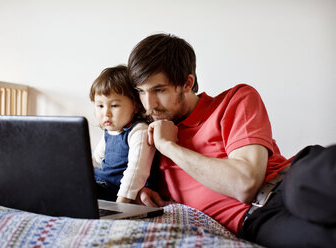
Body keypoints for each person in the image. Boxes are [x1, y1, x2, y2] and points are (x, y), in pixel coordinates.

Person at [127, 33, 336, 247]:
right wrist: (137, 194)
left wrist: (169, 146)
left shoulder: (234, 100)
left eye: (159, 90)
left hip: (287, 182)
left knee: (308, 186)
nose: (148, 104)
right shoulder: (147, 138)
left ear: (187, 83)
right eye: (141, 92)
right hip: (258, 222)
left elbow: (245, 184)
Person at [90, 65, 155, 203]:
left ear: (136, 105)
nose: (106, 113)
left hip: (117, 190)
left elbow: (136, 171)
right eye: (100, 106)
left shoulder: (138, 131)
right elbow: (96, 160)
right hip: (101, 182)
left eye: (114, 106)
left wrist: (122, 203)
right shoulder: (109, 131)